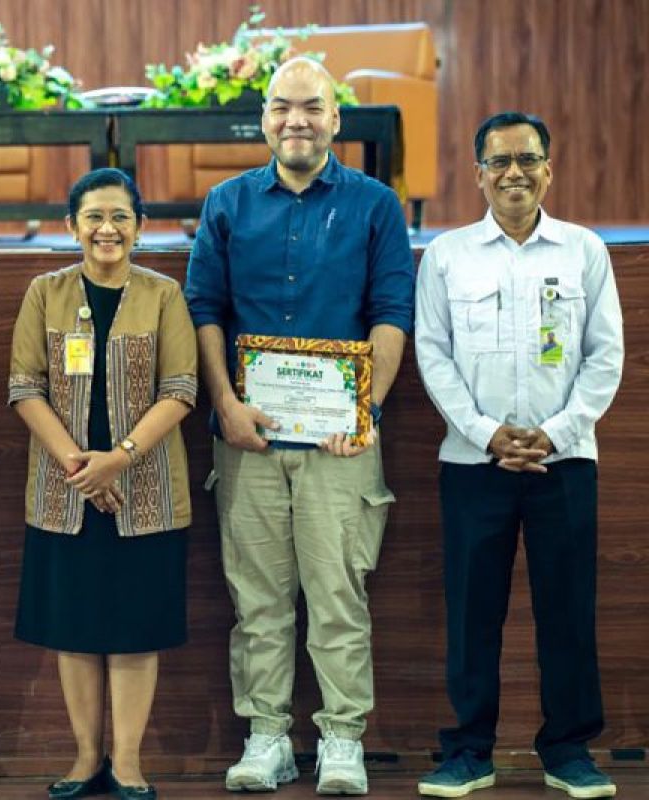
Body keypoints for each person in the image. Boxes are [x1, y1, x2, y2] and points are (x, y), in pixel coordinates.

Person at [184, 57, 414, 795]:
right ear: (264, 118)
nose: (297, 121)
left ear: (336, 118)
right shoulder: (226, 203)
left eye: (312, 108)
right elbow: (205, 311)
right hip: (248, 440)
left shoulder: (377, 206)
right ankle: (268, 737)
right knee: (256, 601)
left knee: (338, 598)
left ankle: (342, 739)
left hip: (338, 445)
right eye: (283, 107)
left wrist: (365, 409)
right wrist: (224, 404)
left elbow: (391, 315)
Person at [414, 112, 622, 799]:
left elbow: (605, 355)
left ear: (549, 168)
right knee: (474, 611)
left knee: (568, 607)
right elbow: (433, 354)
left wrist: (556, 433)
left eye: (527, 159)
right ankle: (470, 750)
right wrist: (486, 432)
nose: (514, 172)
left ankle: (568, 749)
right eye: (499, 161)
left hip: (564, 463)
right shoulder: (447, 256)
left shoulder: (583, 250)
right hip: (475, 464)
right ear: (478, 173)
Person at [8, 168, 197, 800]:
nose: (107, 229)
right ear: (72, 226)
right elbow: (24, 386)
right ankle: (86, 758)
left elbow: (181, 390)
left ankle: (129, 763)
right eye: (94, 216)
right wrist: (77, 465)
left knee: (136, 629)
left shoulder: (164, 294)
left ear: (140, 227)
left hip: (148, 490)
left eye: (120, 216)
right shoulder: (46, 292)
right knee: (76, 628)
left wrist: (118, 459)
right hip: (63, 493)